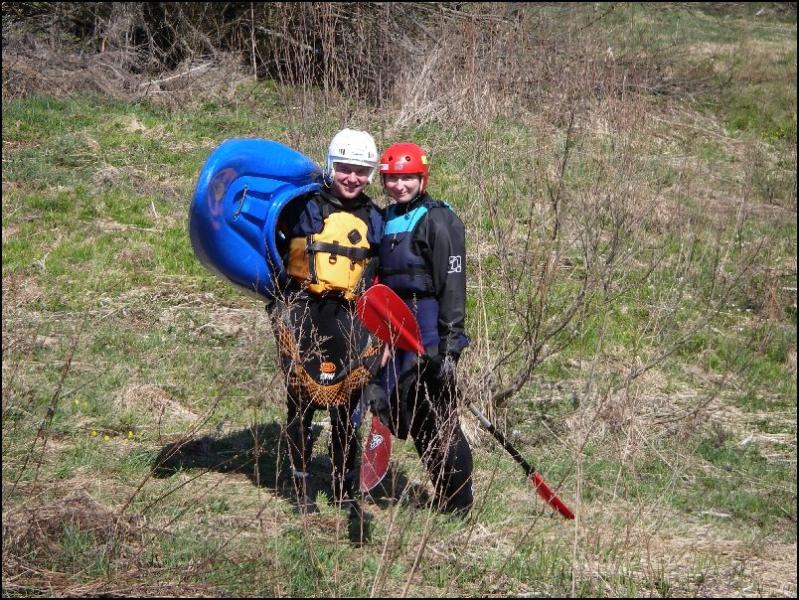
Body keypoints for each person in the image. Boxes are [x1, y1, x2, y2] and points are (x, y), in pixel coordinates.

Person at [269, 128, 384, 530]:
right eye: (345, 169)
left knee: (347, 404)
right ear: (331, 166)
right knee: (300, 401)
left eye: (361, 171)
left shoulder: (374, 217)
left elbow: (381, 276)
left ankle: (340, 482)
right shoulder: (305, 206)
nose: (352, 178)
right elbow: (273, 247)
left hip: (350, 318)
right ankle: (300, 487)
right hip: (305, 311)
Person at [365, 142, 474, 515]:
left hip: (429, 329)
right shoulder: (387, 217)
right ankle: (443, 496)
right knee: (412, 417)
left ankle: (458, 502)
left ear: (422, 178)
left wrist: (449, 346)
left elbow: (452, 285)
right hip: (397, 330)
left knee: (439, 419)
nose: (400, 186)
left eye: (408, 178)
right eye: (393, 179)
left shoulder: (439, 220)